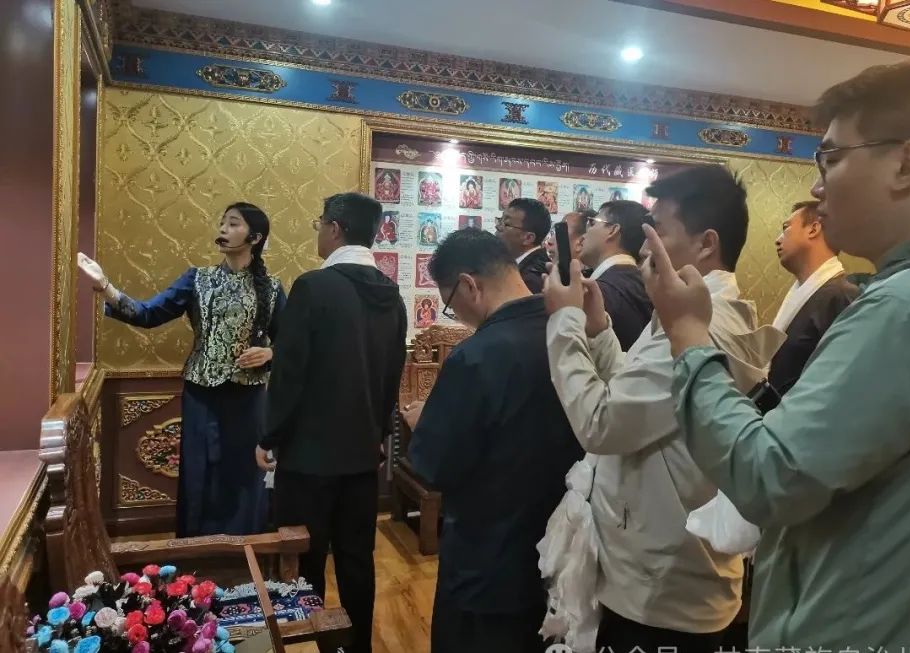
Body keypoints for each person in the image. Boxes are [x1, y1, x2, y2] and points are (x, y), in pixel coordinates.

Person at [641, 61, 910, 649]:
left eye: (830, 159)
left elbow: (767, 476)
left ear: (905, 163)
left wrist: (686, 332)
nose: (817, 188)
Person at [544, 166, 779, 652]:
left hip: (662, 589)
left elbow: (601, 424)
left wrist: (564, 321)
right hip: (659, 569)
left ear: (706, 243)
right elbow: (637, 402)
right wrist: (598, 330)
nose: (644, 248)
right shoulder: (687, 312)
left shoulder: (704, 324)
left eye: (659, 231)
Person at [402, 229, 582, 653]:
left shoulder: (477, 355)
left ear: (469, 285)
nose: (457, 315)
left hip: (488, 561)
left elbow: (435, 465)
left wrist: (424, 421)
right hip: (561, 551)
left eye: (450, 303)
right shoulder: (568, 333)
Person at [77, 203, 285, 537]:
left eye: (233, 224)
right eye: (222, 222)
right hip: (201, 395)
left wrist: (270, 353)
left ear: (255, 238)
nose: (223, 228)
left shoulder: (272, 289)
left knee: (245, 474)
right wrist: (105, 286)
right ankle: (195, 548)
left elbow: (290, 344)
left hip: (248, 400)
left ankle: (245, 548)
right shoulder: (196, 279)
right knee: (199, 472)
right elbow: (148, 314)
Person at [257, 192, 407, 653]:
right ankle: (356, 647)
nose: (318, 231)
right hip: (362, 454)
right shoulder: (392, 295)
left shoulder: (313, 287)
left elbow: (290, 373)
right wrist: (378, 434)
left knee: (305, 558)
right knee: (356, 558)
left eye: (320, 223)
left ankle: (316, 643)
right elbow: (391, 377)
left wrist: (269, 435)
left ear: (336, 229)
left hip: (309, 455)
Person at [769, 199, 860, 396]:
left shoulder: (841, 297)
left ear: (813, 229)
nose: (777, 239)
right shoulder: (805, 292)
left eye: (786, 228)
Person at [577, 200, 654, 351]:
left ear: (612, 230)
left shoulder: (598, 294)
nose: (583, 236)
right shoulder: (642, 282)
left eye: (592, 223)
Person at [497, 197, 551, 294]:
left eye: (506, 224)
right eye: (500, 221)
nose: (498, 227)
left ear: (528, 238)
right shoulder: (516, 266)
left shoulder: (532, 280)